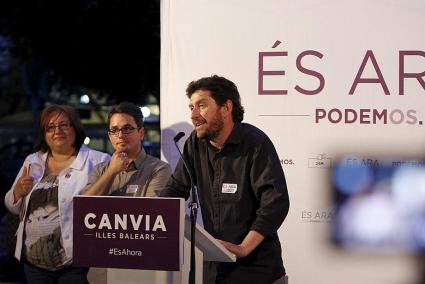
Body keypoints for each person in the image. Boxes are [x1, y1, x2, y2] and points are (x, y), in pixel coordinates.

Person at [159, 75, 290, 284]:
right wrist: (149, 216)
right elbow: (175, 188)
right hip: (215, 271)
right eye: (191, 107)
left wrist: (244, 247)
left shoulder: (256, 143)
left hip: (257, 272)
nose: (193, 115)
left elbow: (275, 203)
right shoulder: (194, 143)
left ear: (226, 107)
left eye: (201, 105)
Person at [4, 104, 110, 284]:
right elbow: (11, 206)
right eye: (50, 127)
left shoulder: (98, 161)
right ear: (44, 134)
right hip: (34, 264)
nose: (57, 131)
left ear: (75, 128)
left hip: (76, 263)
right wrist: (18, 191)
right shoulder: (33, 160)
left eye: (63, 125)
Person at [83, 101, 172, 197]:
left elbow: (152, 210)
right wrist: (111, 172)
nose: (120, 135)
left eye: (127, 129)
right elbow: (84, 206)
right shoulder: (100, 170)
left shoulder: (159, 169)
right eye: (114, 130)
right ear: (109, 136)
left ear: (141, 133)